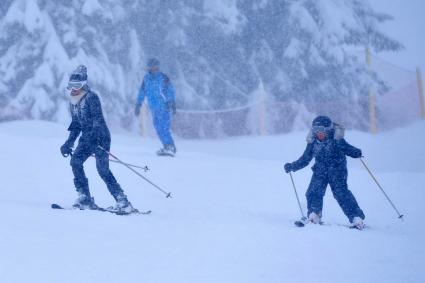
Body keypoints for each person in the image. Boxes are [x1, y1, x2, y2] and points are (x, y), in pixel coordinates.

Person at [60, 65, 135, 213]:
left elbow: (97, 120)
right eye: (71, 86)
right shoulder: (73, 101)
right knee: (75, 162)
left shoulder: (91, 97)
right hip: (86, 138)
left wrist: (95, 138)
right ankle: (84, 197)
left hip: (101, 137)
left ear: (84, 84)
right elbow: (76, 124)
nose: (74, 89)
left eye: (77, 85)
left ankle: (122, 201)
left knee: (102, 170)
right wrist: (68, 143)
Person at [284, 116, 365, 229]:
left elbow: (347, 148)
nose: (319, 133)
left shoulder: (336, 139)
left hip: (337, 171)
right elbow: (305, 158)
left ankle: (356, 218)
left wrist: (356, 152)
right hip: (320, 171)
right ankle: (314, 215)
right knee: (313, 192)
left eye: (321, 130)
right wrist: (293, 166)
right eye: (316, 130)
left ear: (328, 129)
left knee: (341, 193)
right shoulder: (313, 142)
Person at [135, 58, 177, 157]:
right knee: (158, 128)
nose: (154, 68)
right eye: (152, 66)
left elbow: (170, 90)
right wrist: (138, 104)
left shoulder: (163, 78)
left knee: (164, 127)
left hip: (164, 106)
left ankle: (170, 146)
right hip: (154, 109)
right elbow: (142, 92)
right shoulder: (146, 79)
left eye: (155, 66)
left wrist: (171, 102)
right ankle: (167, 146)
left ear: (158, 66)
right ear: (149, 67)